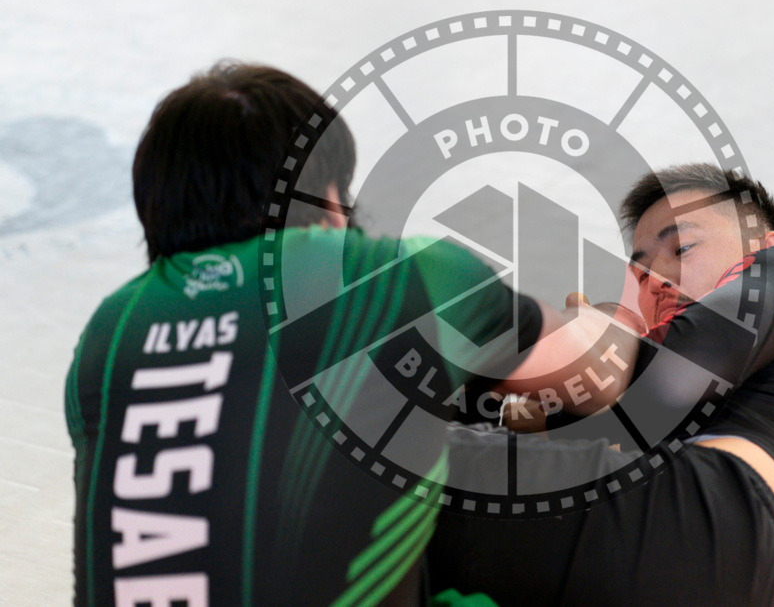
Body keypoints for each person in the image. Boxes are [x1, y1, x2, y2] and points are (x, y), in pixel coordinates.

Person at [63, 61, 639, 606]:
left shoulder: (109, 331)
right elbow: (596, 373)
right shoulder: (391, 276)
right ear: (329, 198)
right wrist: (616, 315)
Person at [428, 163, 774, 605]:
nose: (656, 280)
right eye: (640, 274)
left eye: (682, 248)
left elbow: (670, 383)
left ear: (765, 246)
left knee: (398, 464)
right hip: (728, 566)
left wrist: (593, 337)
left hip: (710, 515)